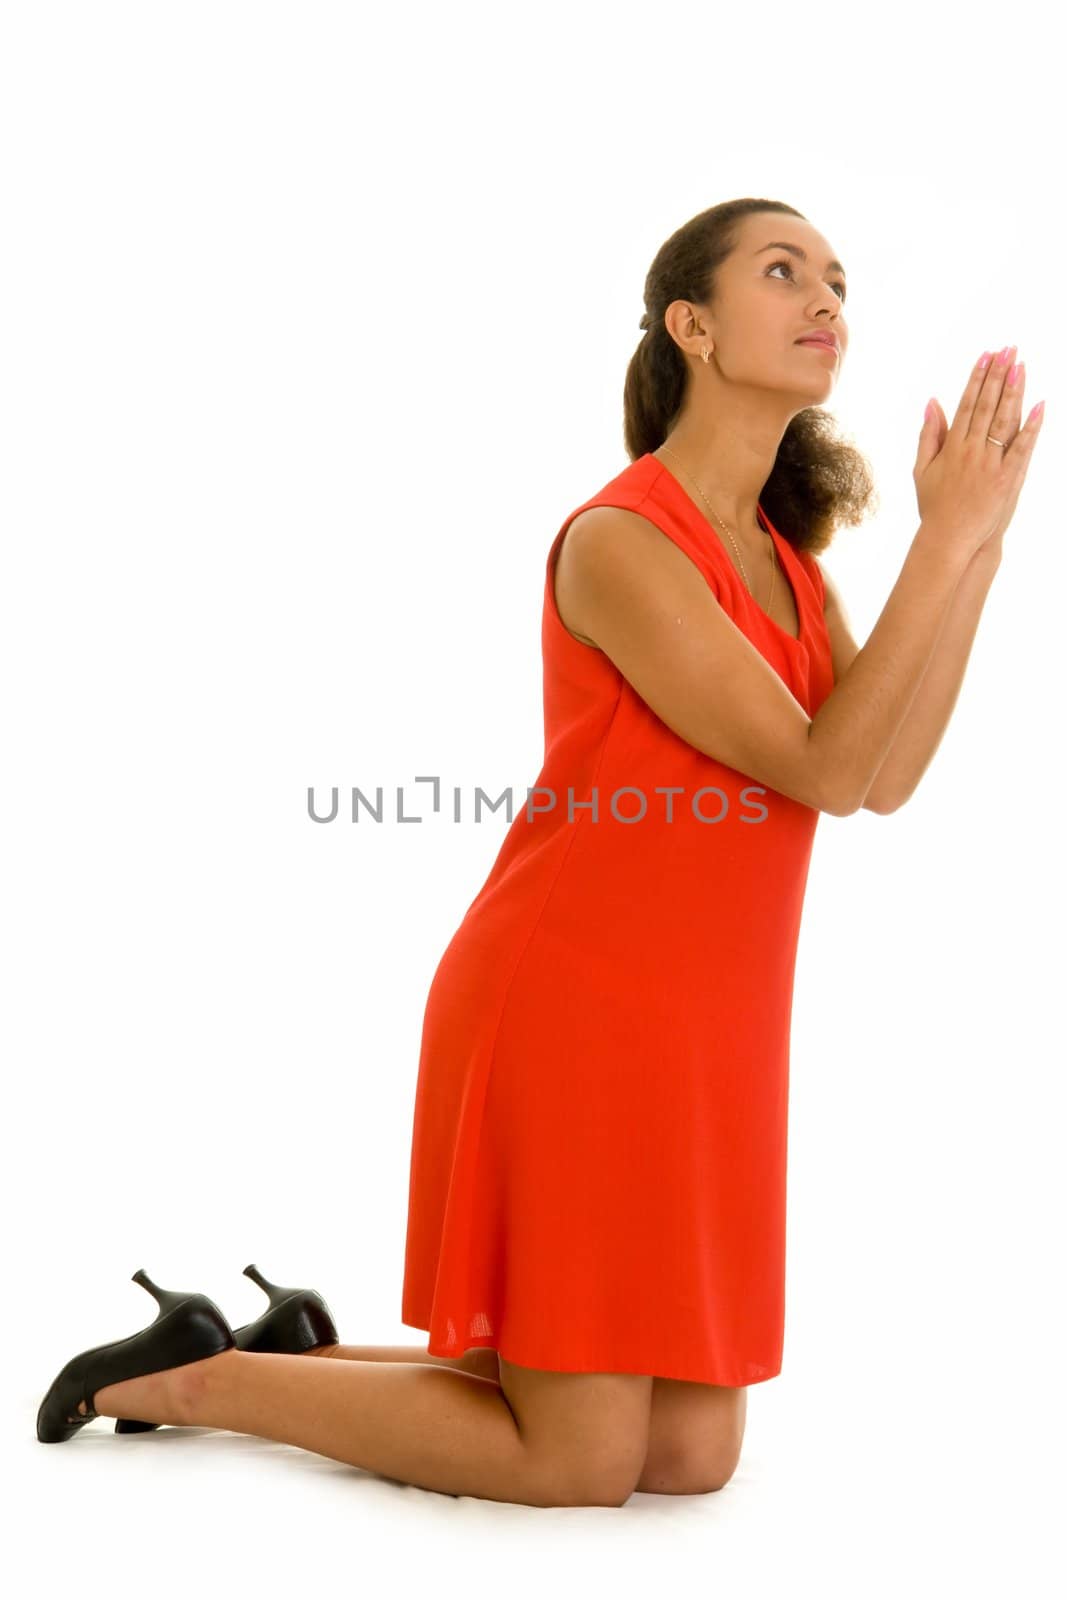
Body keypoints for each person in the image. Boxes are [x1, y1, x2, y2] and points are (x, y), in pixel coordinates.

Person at [36, 199, 1043, 1507]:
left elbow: (886, 776)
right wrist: (943, 542)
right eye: (784, 273)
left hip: (706, 1034)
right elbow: (823, 769)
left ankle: (309, 1349)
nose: (826, 302)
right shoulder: (623, 541)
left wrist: (977, 549)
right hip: (576, 1006)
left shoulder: (794, 570)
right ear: (691, 325)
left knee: (687, 1458)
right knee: (579, 1464)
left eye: (839, 282)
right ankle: (187, 1376)